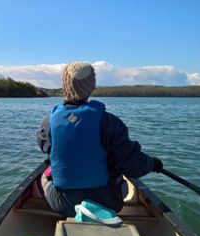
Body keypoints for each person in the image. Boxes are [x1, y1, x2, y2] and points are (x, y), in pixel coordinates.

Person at [36, 61, 163, 217]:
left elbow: (46, 148)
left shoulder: (48, 121)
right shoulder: (110, 122)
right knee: (118, 170)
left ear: (65, 85)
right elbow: (134, 166)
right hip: (106, 204)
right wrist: (152, 163)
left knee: (43, 175)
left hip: (62, 204)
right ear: (91, 87)